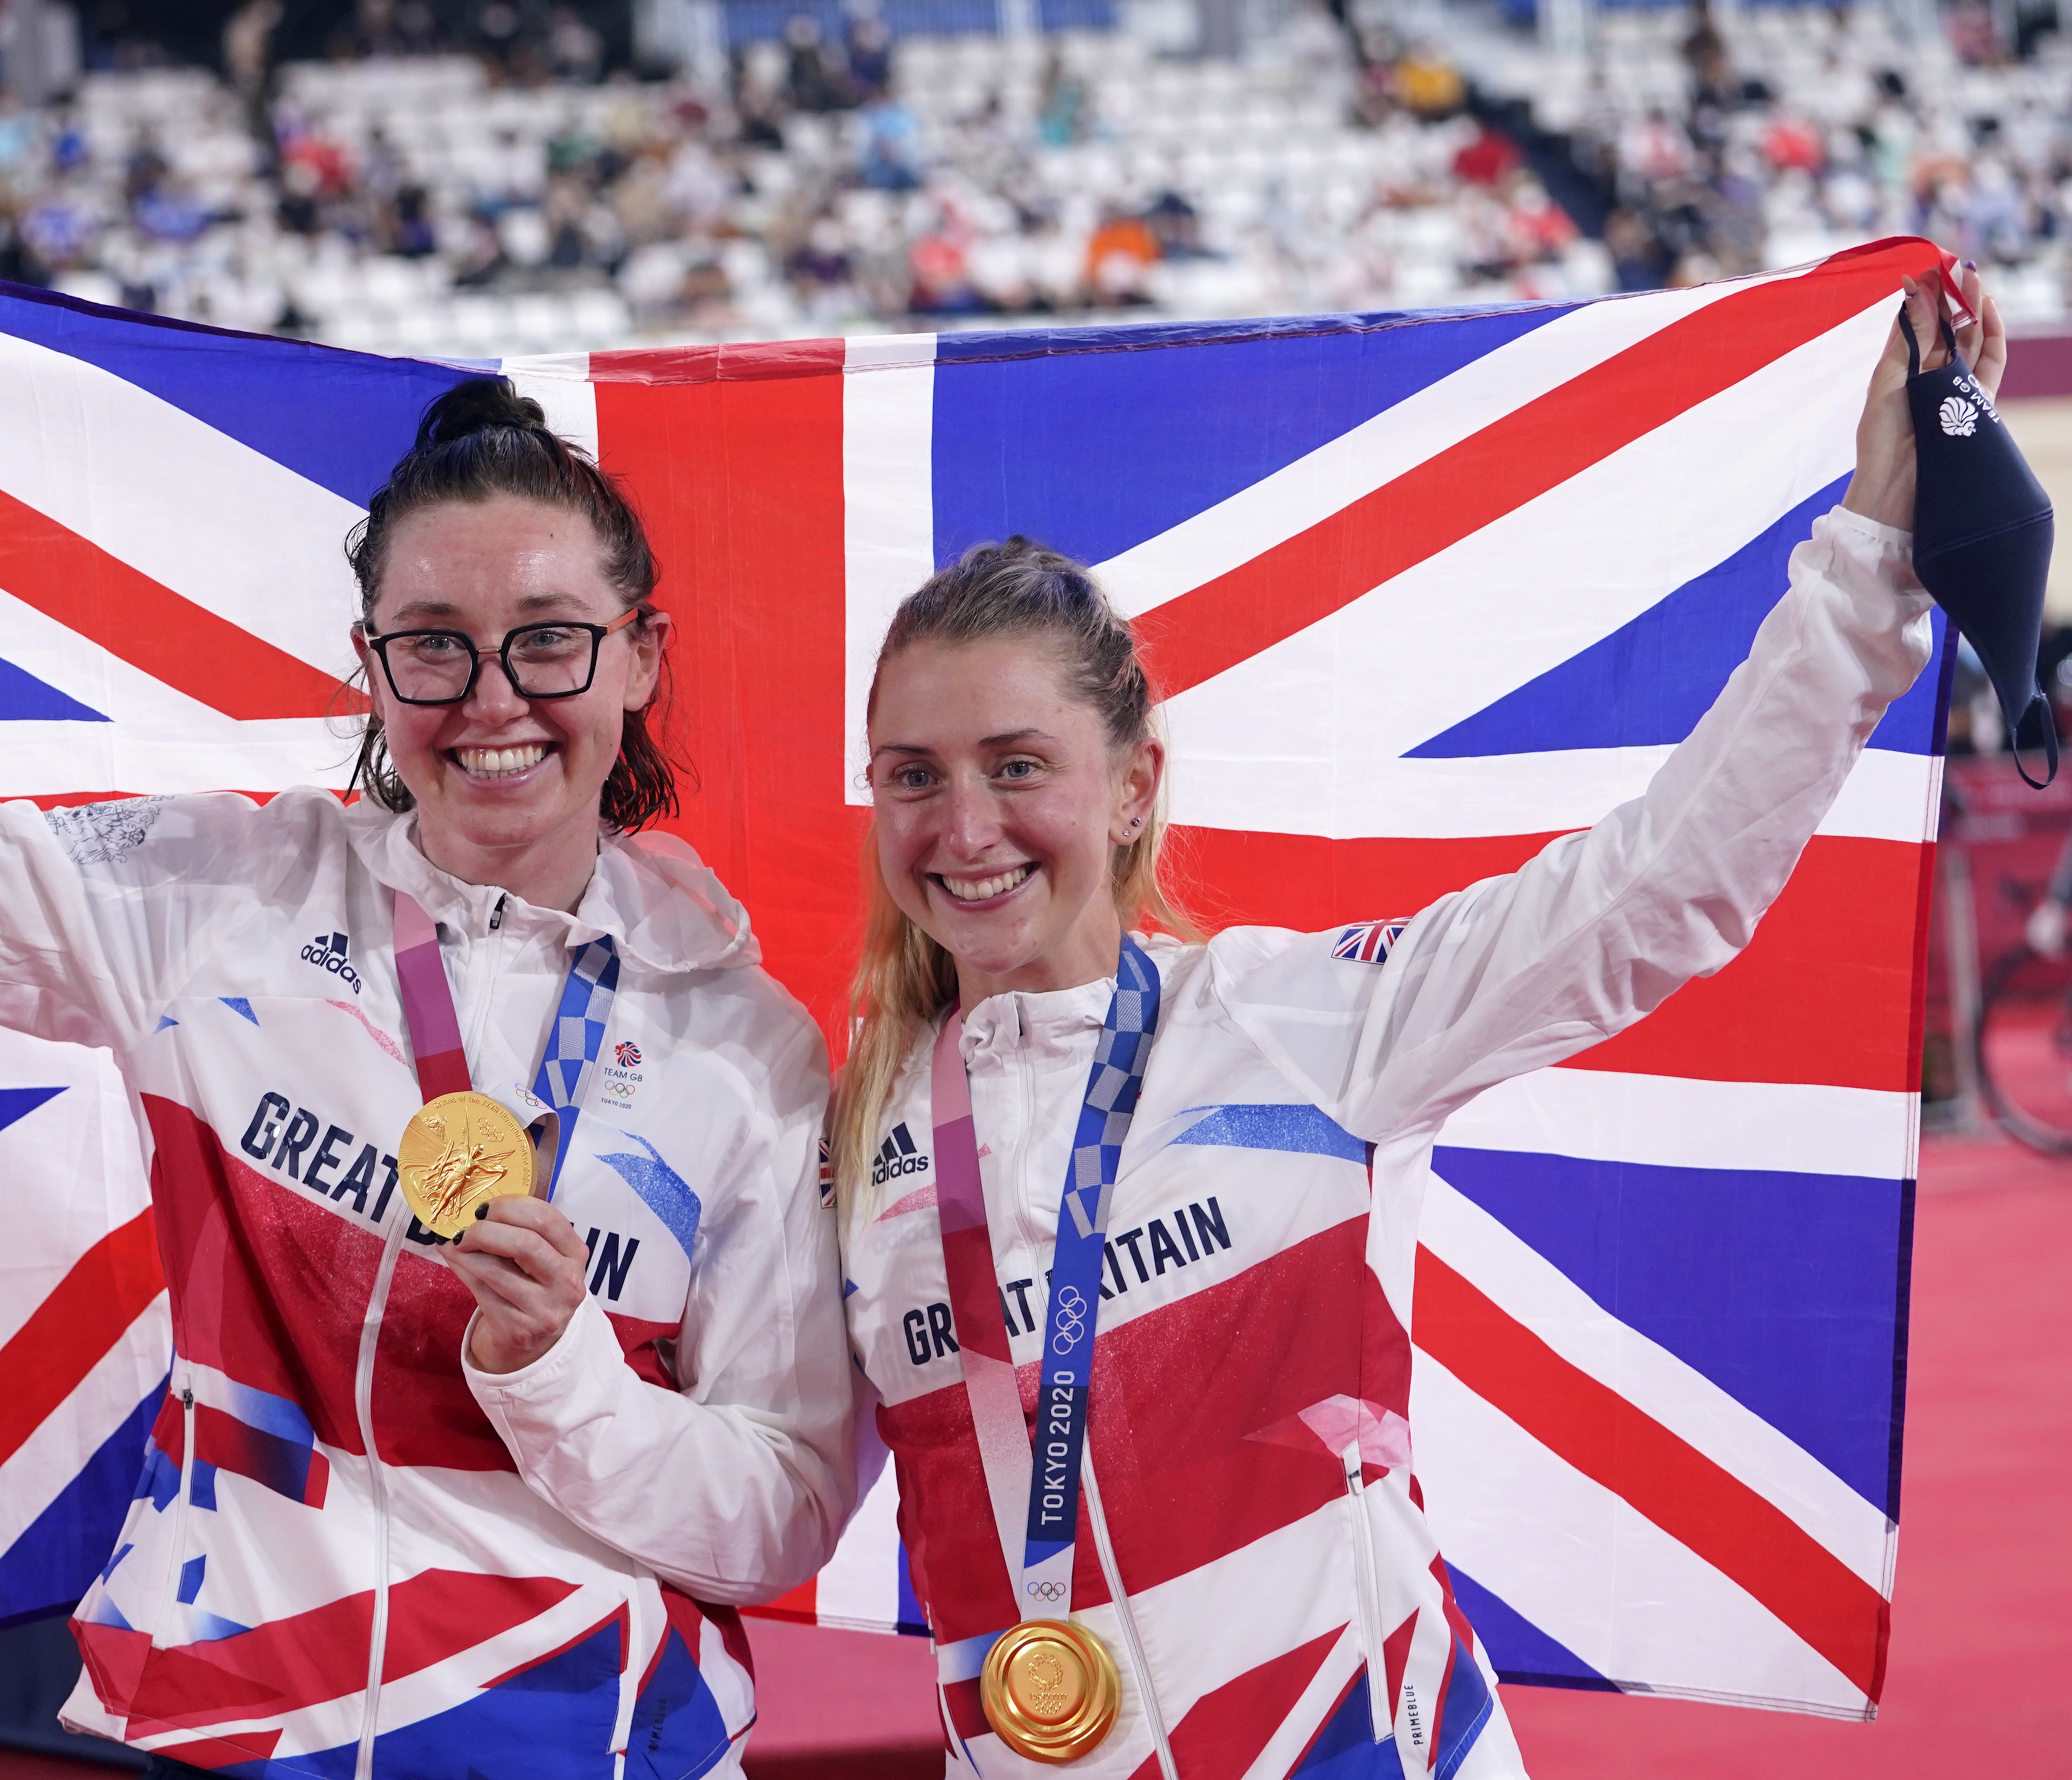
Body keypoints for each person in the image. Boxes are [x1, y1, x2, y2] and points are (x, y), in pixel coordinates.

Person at [828, 269, 1983, 1777]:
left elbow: (1658, 892)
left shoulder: (1302, 1019)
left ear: (1127, 786)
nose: (962, 824)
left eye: (1014, 763)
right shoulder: (849, 1139)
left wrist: (1872, 559)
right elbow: (771, 1495)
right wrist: (544, 1365)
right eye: (911, 775)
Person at [0, 377, 854, 1772]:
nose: (490, 702)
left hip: (594, 1741)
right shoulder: (212, 899)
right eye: (433, 647)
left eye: (549, 643)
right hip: (240, 1724)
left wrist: (559, 1376)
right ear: (369, 663)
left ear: (640, 655)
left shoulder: (748, 1047)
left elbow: (782, 1510)